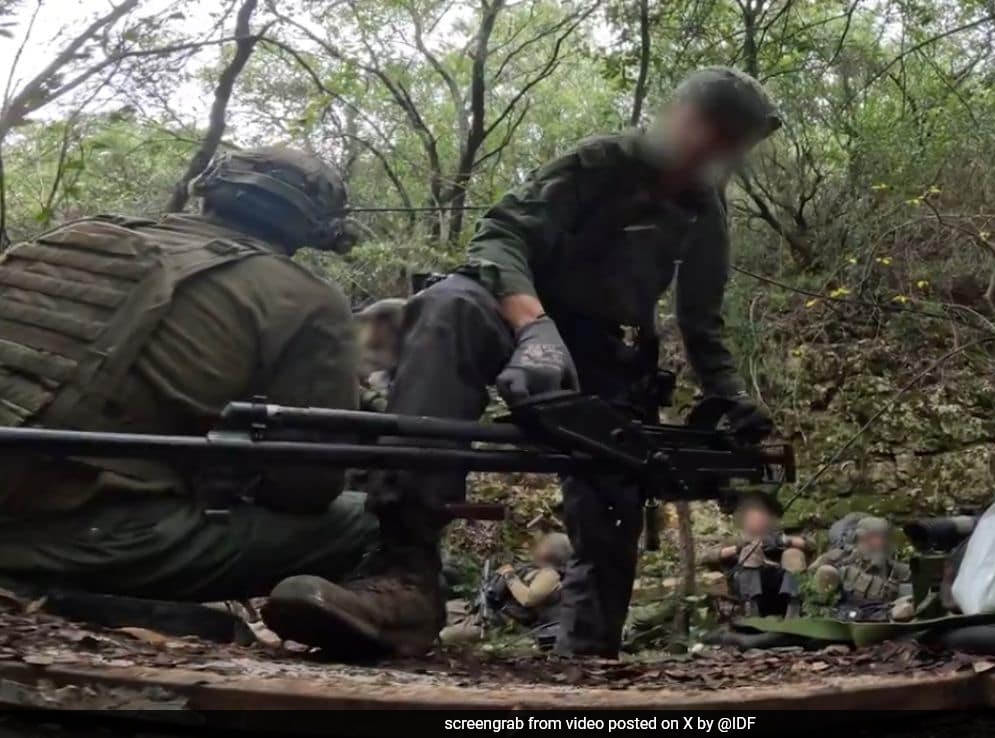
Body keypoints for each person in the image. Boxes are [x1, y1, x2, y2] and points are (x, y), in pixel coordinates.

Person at [263, 66, 782, 659]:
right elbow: (500, 236)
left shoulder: (704, 208)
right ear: (686, 120)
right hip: (516, 310)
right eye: (717, 138)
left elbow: (701, 317)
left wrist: (732, 397)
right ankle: (403, 579)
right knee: (448, 305)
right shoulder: (602, 161)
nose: (720, 158)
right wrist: (534, 328)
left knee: (617, 476)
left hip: (605, 352)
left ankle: (588, 654)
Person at [0, 147, 377, 603]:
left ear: (208, 189)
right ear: (317, 226)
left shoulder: (77, 236)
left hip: (27, 503)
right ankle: (389, 614)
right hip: (73, 538)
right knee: (373, 517)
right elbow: (306, 488)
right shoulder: (305, 298)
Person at [443, 532, 573, 649]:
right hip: (486, 612)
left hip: (500, 625)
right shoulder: (533, 568)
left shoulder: (551, 575)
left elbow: (528, 598)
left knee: (445, 635)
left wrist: (509, 575)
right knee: (443, 609)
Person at [701, 493, 811, 617]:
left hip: (780, 586)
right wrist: (741, 547)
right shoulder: (739, 537)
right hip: (749, 586)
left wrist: (783, 541)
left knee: (793, 554)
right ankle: (751, 611)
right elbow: (708, 555)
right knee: (750, 551)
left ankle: (794, 609)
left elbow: (809, 544)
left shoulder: (778, 534)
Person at [808, 516, 914, 621]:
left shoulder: (894, 568)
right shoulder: (839, 557)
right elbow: (810, 577)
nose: (880, 542)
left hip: (882, 616)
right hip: (844, 614)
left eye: (884, 537)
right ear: (860, 538)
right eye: (874, 537)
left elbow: (919, 579)